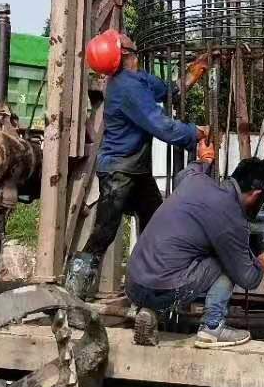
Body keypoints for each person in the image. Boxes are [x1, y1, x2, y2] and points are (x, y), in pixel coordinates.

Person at [66, 29, 213, 301]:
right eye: (122, 39)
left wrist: (197, 69)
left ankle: (148, 287)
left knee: (156, 223)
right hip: (119, 172)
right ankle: (73, 296)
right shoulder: (126, 88)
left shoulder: (137, 79)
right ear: (123, 54)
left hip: (136, 170)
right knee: (103, 233)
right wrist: (196, 133)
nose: (126, 36)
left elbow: (171, 90)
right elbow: (161, 126)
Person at [127, 158, 264, 348]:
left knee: (181, 256)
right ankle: (212, 327)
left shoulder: (194, 179)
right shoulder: (231, 217)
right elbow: (247, 278)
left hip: (134, 283)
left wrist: (204, 160)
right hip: (164, 289)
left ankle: (148, 311)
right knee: (225, 262)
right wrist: (263, 262)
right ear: (256, 194)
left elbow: (183, 173)